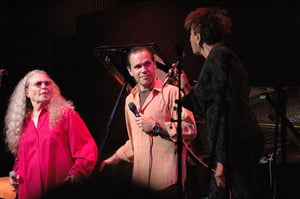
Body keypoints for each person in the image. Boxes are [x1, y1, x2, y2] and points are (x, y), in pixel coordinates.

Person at [179, 7, 264, 199]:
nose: (190, 40)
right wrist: (185, 88)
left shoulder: (218, 58)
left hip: (235, 147)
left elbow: (224, 111)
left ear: (199, 37)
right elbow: (204, 106)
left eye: (191, 34)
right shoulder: (222, 57)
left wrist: (222, 162)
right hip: (238, 144)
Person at [100, 46, 197, 198]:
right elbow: (135, 141)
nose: (143, 69)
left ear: (154, 65)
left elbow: (190, 129)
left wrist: (157, 126)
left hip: (167, 182)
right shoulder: (130, 100)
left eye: (147, 64)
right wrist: (111, 159)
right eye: (138, 66)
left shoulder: (172, 92)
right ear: (130, 71)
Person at [4, 69, 98, 199]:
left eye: (47, 83)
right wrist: (14, 174)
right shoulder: (22, 123)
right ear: (27, 93)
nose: (44, 87)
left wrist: (76, 174)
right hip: (28, 191)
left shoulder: (66, 115)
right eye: (38, 84)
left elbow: (87, 149)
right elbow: (20, 159)